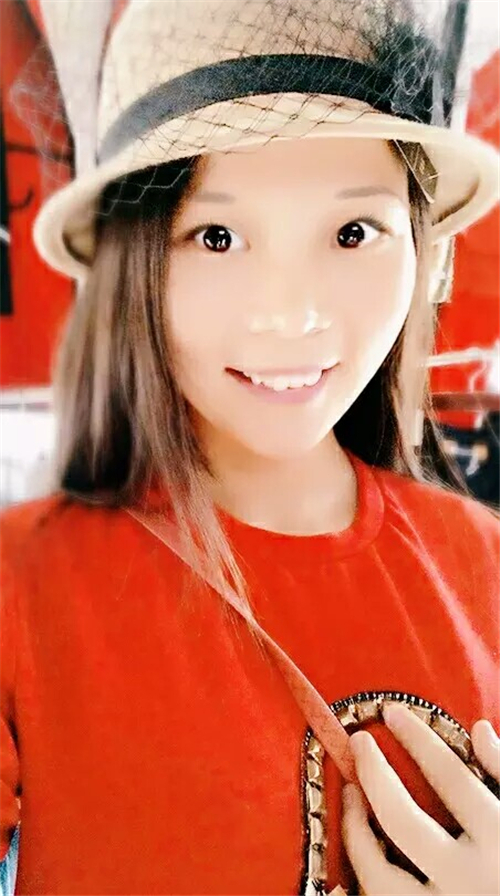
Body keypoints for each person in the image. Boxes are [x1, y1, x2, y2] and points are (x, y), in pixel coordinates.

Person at [1, 1, 499, 894]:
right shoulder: (23, 590)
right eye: (217, 236)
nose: (291, 314)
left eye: (353, 232)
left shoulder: (485, 564)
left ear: (424, 252)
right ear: (135, 263)